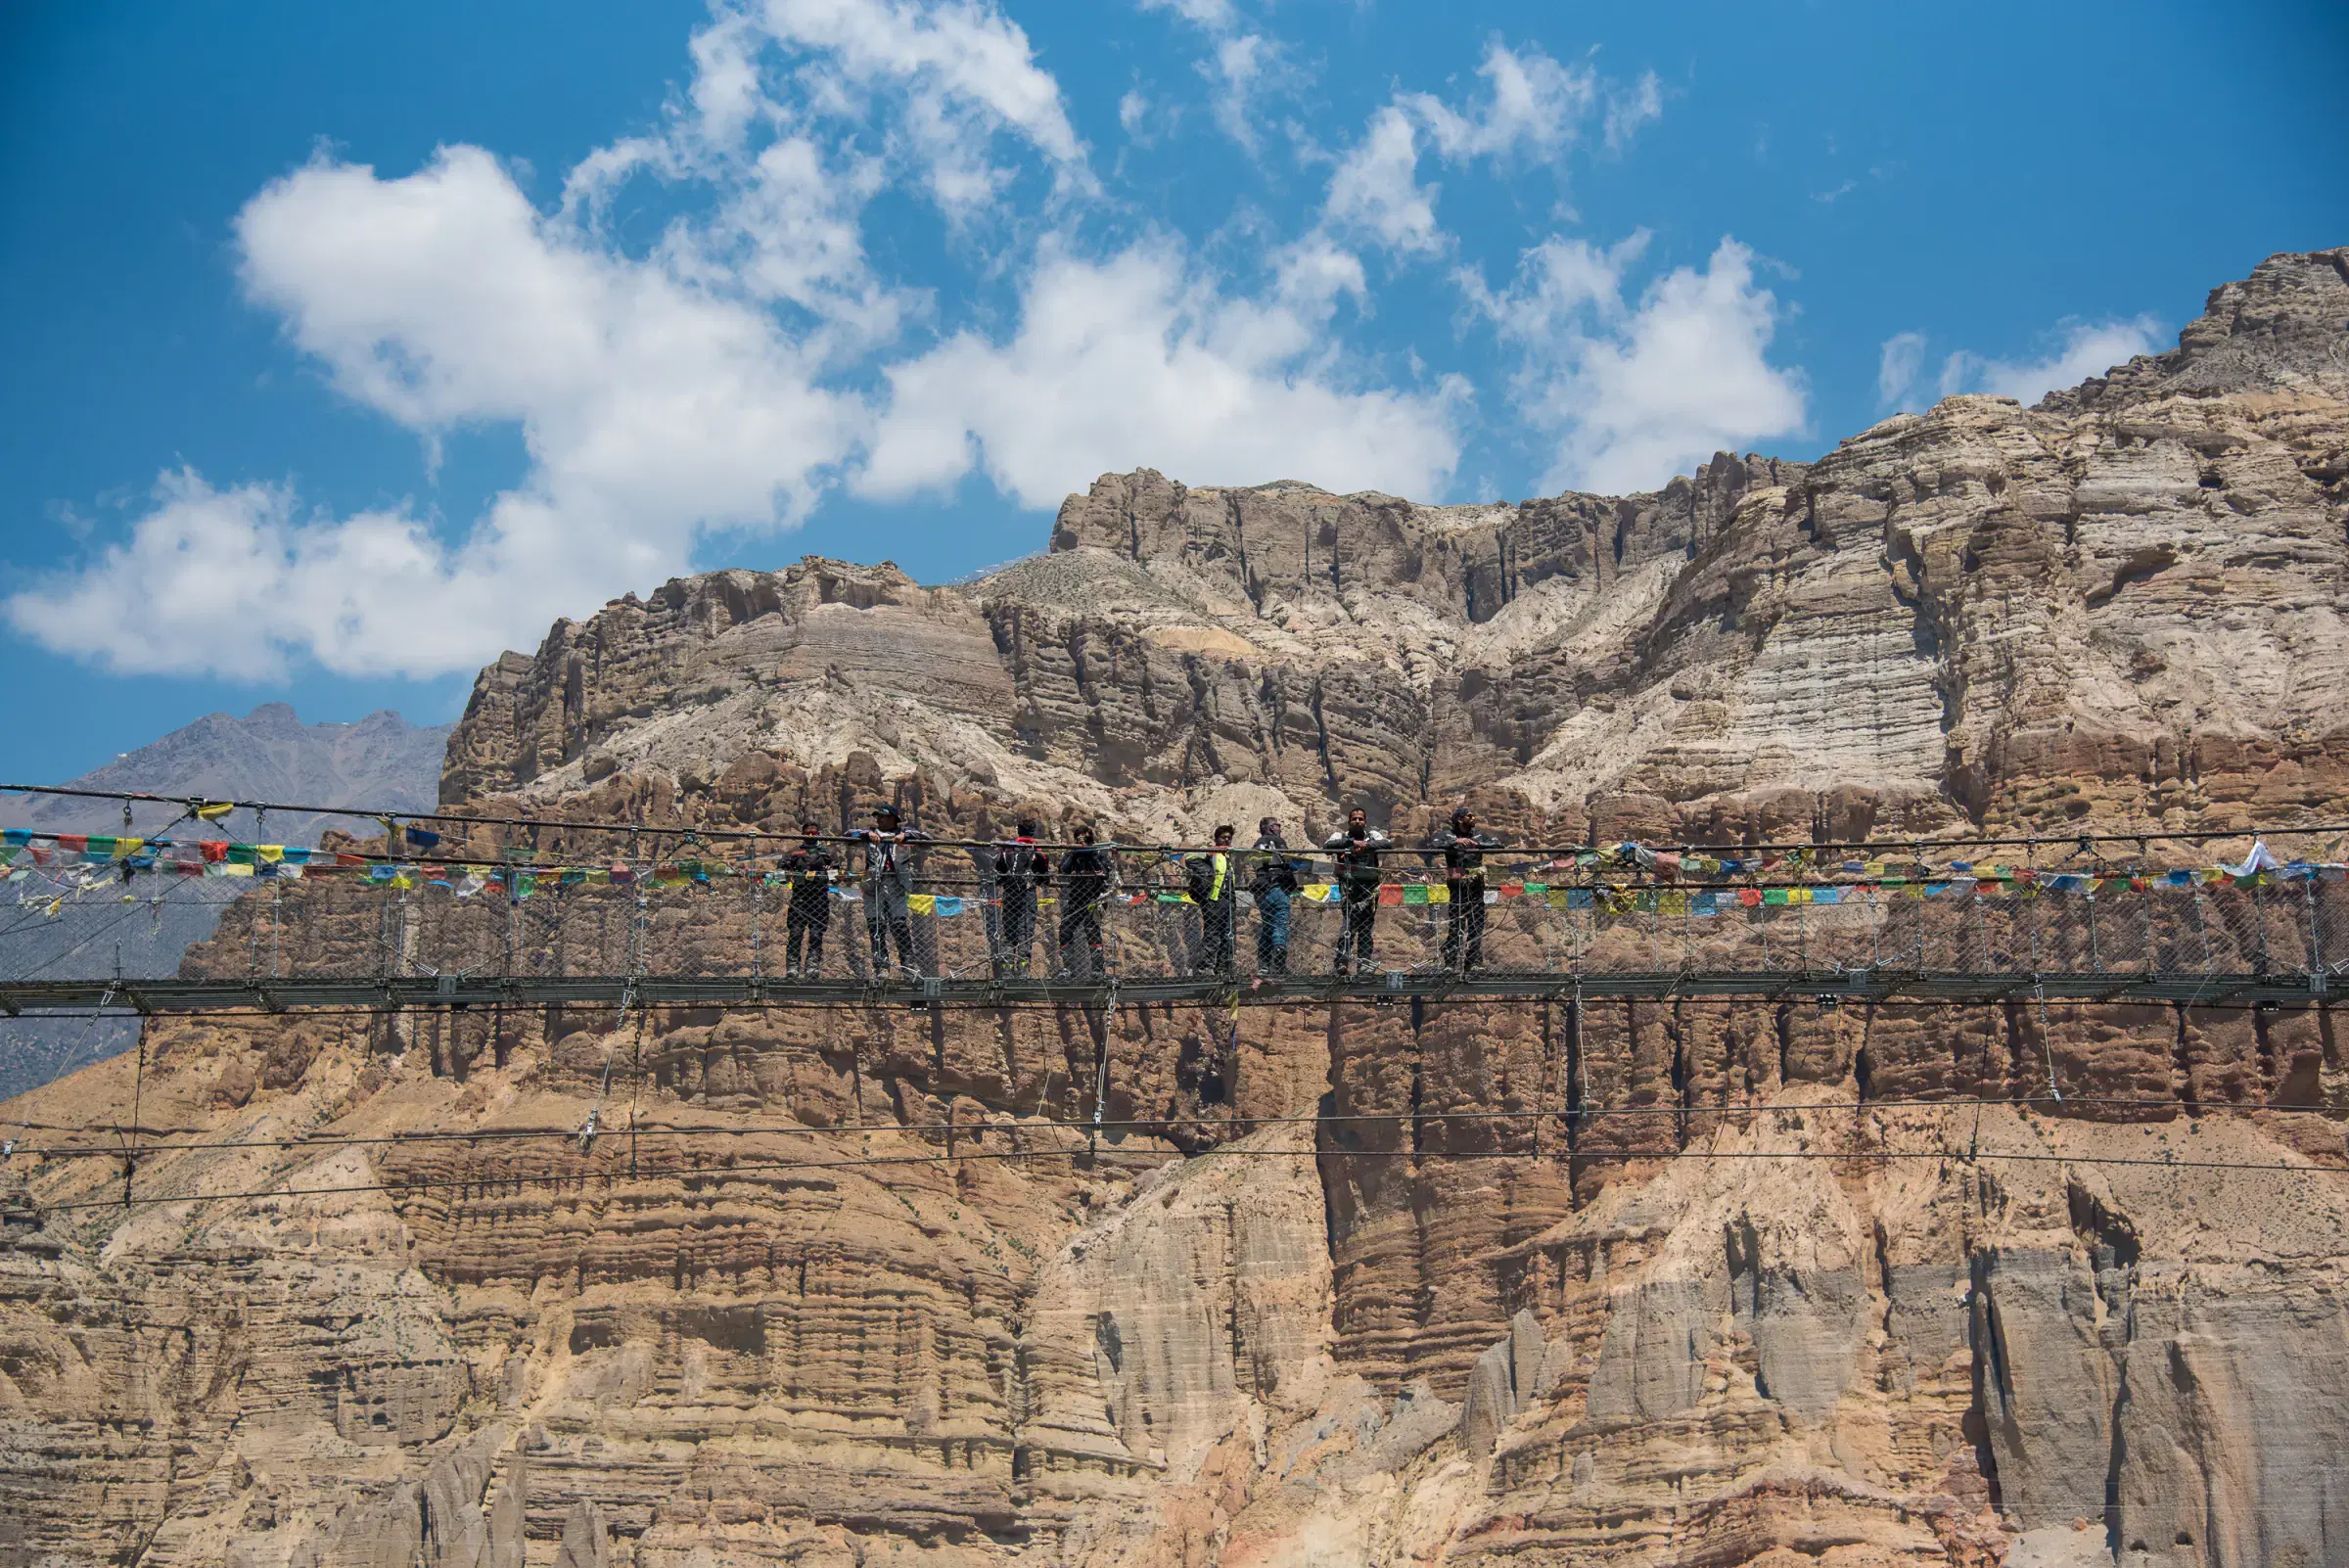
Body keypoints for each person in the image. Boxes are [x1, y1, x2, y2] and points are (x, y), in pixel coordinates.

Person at [852, 804, 930, 978]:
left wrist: (906, 835)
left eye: (883, 816)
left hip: (896, 884)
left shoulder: (904, 834)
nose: (879, 819)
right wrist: (867, 834)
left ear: (893, 818)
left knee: (899, 925)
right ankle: (881, 966)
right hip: (873, 886)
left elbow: (927, 837)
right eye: (878, 816)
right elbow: (848, 834)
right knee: (876, 926)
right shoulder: (871, 833)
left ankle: (908, 966)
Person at [1425, 806, 1500, 973]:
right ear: (1460, 819)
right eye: (1470, 816)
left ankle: (1473, 961)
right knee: (1455, 924)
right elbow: (1432, 846)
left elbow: (1498, 844)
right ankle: (1450, 963)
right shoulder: (1447, 834)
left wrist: (1477, 844)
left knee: (1476, 925)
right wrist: (1455, 842)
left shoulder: (1479, 835)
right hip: (1457, 888)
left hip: (1476, 888)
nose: (1474, 818)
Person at [1324, 807, 1390, 976]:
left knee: (1366, 928)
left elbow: (1387, 844)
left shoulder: (1372, 835)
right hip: (1349, 888)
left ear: (1365, 822)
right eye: (1354, 819)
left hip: (1370, 889)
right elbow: (1327, 846)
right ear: (1349, 821)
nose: (1358, 821)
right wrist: (1351, 843)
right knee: (1348, 925)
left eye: (1361, 819)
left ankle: (1364, 964)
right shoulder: (1341, 836)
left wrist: (1366, 845)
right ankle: (1341, 963)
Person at [1056, 823, 1116, 979]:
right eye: (1078, 837)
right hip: (1076, 897)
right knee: (1065, 929)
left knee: (1092, 929)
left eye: (1084, 836)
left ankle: (1098, 970)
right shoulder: (1072, 853)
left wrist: (1092, 855)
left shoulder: (1098, 853)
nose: (1081, 840)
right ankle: (1068, 970)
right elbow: (1063, 870)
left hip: (1095, 897)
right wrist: (1074, 853)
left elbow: (1105, 873)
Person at [991, 818, 1049, 977]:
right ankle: (1023, 972)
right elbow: (1045, 878)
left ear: (1018, 830)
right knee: (1025, 932)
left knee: (1009, 933)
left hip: (1010, 893)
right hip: (1028, 894)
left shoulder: (1007, 851)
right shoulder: (1038, 852)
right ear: (1033, 831)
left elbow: (998, 875)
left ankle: (1006, 971)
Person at [779, 821, 835, 976]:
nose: (810, 835)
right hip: (800, 897)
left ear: (818, 834)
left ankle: (812, 966)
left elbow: (837, 874)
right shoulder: (794, 852)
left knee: (817, 933)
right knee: (796, 932)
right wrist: (789, 872)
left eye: (813, 833)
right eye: (807, 832)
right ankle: (792, 966)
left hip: (819, 897)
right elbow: (781, 869)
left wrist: (830, 871)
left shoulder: (826, 853)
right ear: (802, 834)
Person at [1183, 825, 1238, 975]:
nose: (1226, 840)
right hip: (1214, 900)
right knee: (1212, 934)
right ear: (1216, 839)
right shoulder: (1211, 853)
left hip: (1228, 901)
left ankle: (1222, 968)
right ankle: (1205, 967)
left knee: (1228, 936)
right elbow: (1189, 858)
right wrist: (1207, 872)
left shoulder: (1228, 857)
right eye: (1223, 837)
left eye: (1229, 838)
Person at [1250, 816, 1301, 976]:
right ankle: (1278, 964)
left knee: (1268, 926)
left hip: (1262, 890)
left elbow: (1256, 865)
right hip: (1278, 887)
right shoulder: (1277, 841)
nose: (1280, 828)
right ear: (1271, 828)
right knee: (1281, 923)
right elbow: (1287, 861)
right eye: (1278, 825)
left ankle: (1263, 966)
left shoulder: (1257, 844)